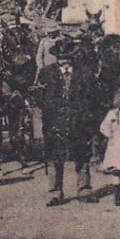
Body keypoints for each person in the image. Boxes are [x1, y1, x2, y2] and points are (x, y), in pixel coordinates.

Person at [33, 40, 97, 205]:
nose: (64, 62)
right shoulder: (46, 73)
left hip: (79, 122)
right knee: (55, 156)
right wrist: (49, 110)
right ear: (56, 58)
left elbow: (93, 98)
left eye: (67, 58)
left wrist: (87, 117)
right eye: (61, 58)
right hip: (55, 122)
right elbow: (38, 98)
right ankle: (55, 192)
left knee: (82, 155)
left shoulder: (85, 73)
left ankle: (84, 189)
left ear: (73, 57)